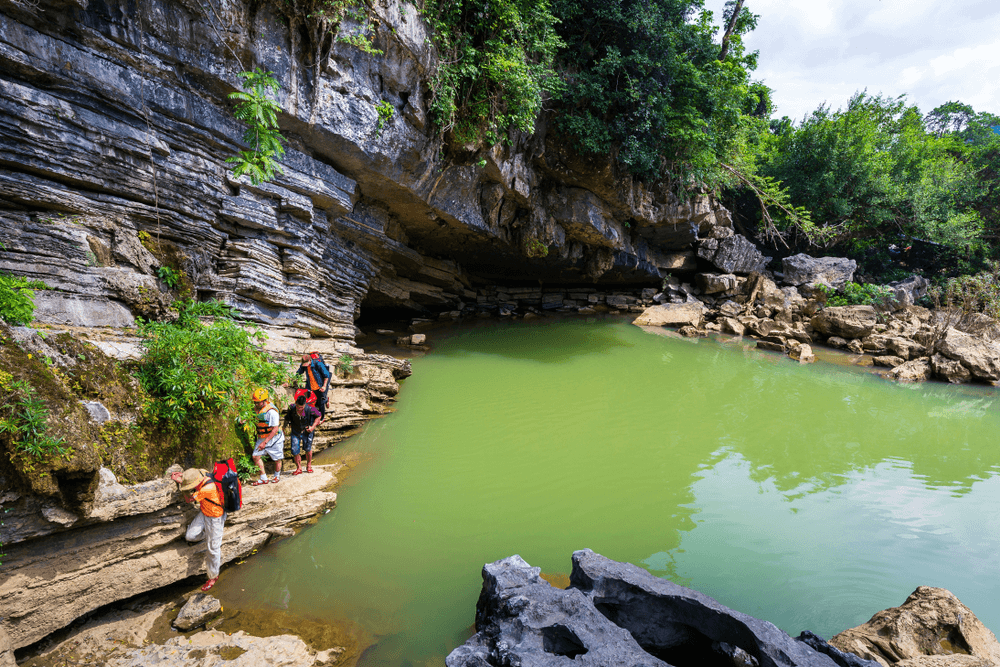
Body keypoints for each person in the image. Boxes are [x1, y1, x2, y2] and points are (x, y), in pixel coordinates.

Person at [172, 467, 225, 591]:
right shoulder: (202, 472)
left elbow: (188, 499)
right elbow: (193, 480)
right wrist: (184, 478)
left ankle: (213, 576)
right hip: (204, 511)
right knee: (190, 536)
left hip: (215, 516)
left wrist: (182, 485)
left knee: (213, 549)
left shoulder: (207, 489)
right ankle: (209, 536)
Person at [251, 387, 284, 485]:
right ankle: (263, 478)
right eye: (255, 402)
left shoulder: (272, 412)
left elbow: (275, 429)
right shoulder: (257, 408)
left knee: (277, 459)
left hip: (274, 438)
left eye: (258, 402)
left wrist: (265, 443)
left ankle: (277, 475)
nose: (256, 404)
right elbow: (254, 418)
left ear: (264, 401)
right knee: (255, 456)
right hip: (263, 436)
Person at [284, 393, 322, 475]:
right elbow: (287, 418)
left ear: (304, 405)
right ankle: (299, 468)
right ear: (295, 403)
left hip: (307, 431)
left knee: (308, 449)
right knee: (294, 450)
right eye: (297, 406)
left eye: (301, 407)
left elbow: (319, 416)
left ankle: (309, 466)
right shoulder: (292, 407)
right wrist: (283, 428)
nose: (298, 409)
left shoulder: (311, 409)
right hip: (295, 431)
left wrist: (312, 427)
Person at [296, 353, 330, 422]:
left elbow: (326, 375)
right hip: (310, 387)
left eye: (306, 364)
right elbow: (298, 373)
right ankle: (315, 415)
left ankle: (322, 418)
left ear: (310, 361)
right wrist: (290, 380)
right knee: (311, 402)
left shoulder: (318, 364)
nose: (304, 366)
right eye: (303, 365)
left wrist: (324, 386)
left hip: (319, 387)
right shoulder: (304, 365)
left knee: (321, 403)